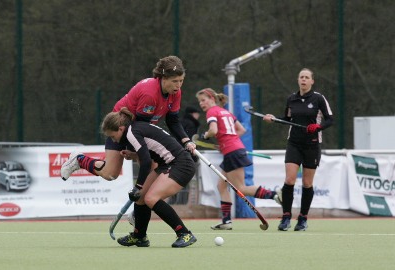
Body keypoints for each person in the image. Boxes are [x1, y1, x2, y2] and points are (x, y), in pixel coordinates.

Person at [61, 55, 196, 181]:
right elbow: (140, 127)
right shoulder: (150, 94)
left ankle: (143, 203)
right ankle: (79, 160)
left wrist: (186, 141)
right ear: (163, 78)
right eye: (174, 81)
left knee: (153, 171)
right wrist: (134, 152)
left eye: (181, 81)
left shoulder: (175, 93)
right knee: (110, 174)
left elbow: (172, 120)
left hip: (138, 128)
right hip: (120, 127)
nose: (178, 85)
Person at [102, 107, 197, 248]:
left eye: (112, 136)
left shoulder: (132, 133)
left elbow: (146, 162)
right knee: (140, 198)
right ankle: (139, 236)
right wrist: (134, 155)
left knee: (151, 198)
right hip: (168, 164)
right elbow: (150, 152)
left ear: (121, 129)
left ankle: (184, 233)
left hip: (181, 165)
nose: (114, 141)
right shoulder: (135, 129)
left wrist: (137, 186)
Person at [196, 88, 280, 230]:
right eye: (200, 102)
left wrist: (205, 135)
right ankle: (226, 221)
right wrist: (225, 142)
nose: (201, 104)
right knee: (221, 186)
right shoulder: (226, 112)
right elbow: (241, 130)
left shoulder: (212, 112)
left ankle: (275, 195)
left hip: (232, 151)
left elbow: (214, 130)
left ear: (212, 99)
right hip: (233, 149)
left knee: (241, 188)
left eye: (204, 100)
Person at [262, 68, 333, 231]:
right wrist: (273, 119)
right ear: (298, 80)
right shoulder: (291, 99)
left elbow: (330, 119)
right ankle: (286, 216)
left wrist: (318, 127)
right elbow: (286, 119)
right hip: (294, 143)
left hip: (312, 145)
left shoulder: (318, 98)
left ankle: (302, 218)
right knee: (289, 180)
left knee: (307, 183)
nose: (304, 80)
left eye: (307, 77)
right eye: (301, 77)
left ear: (312, 81)